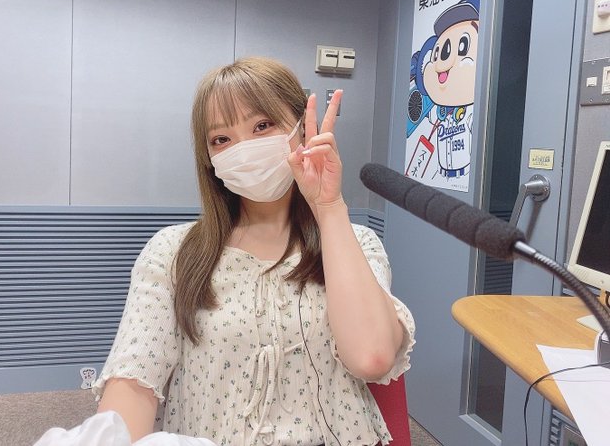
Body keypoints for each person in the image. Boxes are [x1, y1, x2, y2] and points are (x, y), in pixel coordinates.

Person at [93, 57, 415, 446]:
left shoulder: (354, 242)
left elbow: (372, 357)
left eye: (262, 126)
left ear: (301, 128)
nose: (243, 149)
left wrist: (329, 208)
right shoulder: (173, 251)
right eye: (221, 140)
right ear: (209, 158)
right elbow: (134, 379)